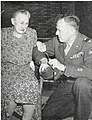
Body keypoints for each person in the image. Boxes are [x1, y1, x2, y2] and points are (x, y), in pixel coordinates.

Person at [33, 14, 92, 120]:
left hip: (86, 87)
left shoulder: (87, 45)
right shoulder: (57, 41)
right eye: (56, 30)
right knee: (46, 115)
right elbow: (36, 49)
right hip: (67, 85)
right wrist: (43, 61)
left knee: (82, 83)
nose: (56, 33)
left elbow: (90, 71)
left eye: (60, 30)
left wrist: (64, 67)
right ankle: (79, 106)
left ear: (72, 31)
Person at [1, 9, 41, 120]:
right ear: (13, 21)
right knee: (10, 89)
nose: (24, 26)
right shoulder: (3, 34)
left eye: (27, 23)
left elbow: (35, 50)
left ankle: (27, 117)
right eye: (21, 23)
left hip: (25, 68)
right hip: (7, 69)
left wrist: (37, 60)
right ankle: (6, 115)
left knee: (32, 84)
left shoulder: (32, 33)